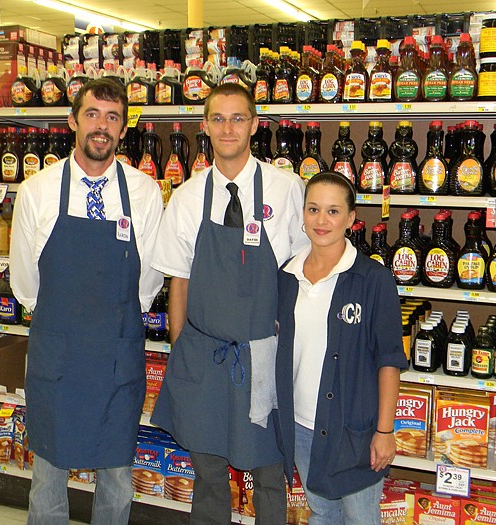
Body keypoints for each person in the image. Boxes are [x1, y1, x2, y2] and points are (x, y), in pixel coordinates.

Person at [150, 83, 307, 524]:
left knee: (270, 474)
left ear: (255, 125)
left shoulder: (287, 189)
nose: (228, 128)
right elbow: (177, 281)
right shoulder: (186, 198)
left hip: (263, 358)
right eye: (218, 119)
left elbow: (297, 274)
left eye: (238, 118)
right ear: (204, 127)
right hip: (205, 358)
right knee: (209, 474)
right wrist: (184, 352)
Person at [10, 78, 163, 525]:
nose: (102, 126)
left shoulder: (144, 193)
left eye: (113, 117)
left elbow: (149, 278)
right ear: (73, 120)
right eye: (93, 114)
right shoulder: (37, 191)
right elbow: (25, 281)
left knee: (117, 477)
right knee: (48, 474)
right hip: (58, 354)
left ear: (123, 129)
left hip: (117, 355)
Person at [275, 171, 407, 525]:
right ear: (302, 214)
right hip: (302, 424)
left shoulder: (373, 279)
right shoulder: (286, 277)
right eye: (313, 209)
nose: (322, 220)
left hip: (355, 429)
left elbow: (389, 360)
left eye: (333, 212)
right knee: (322, 512)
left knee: (360, 518)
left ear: (351, 219)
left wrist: (384, 431)